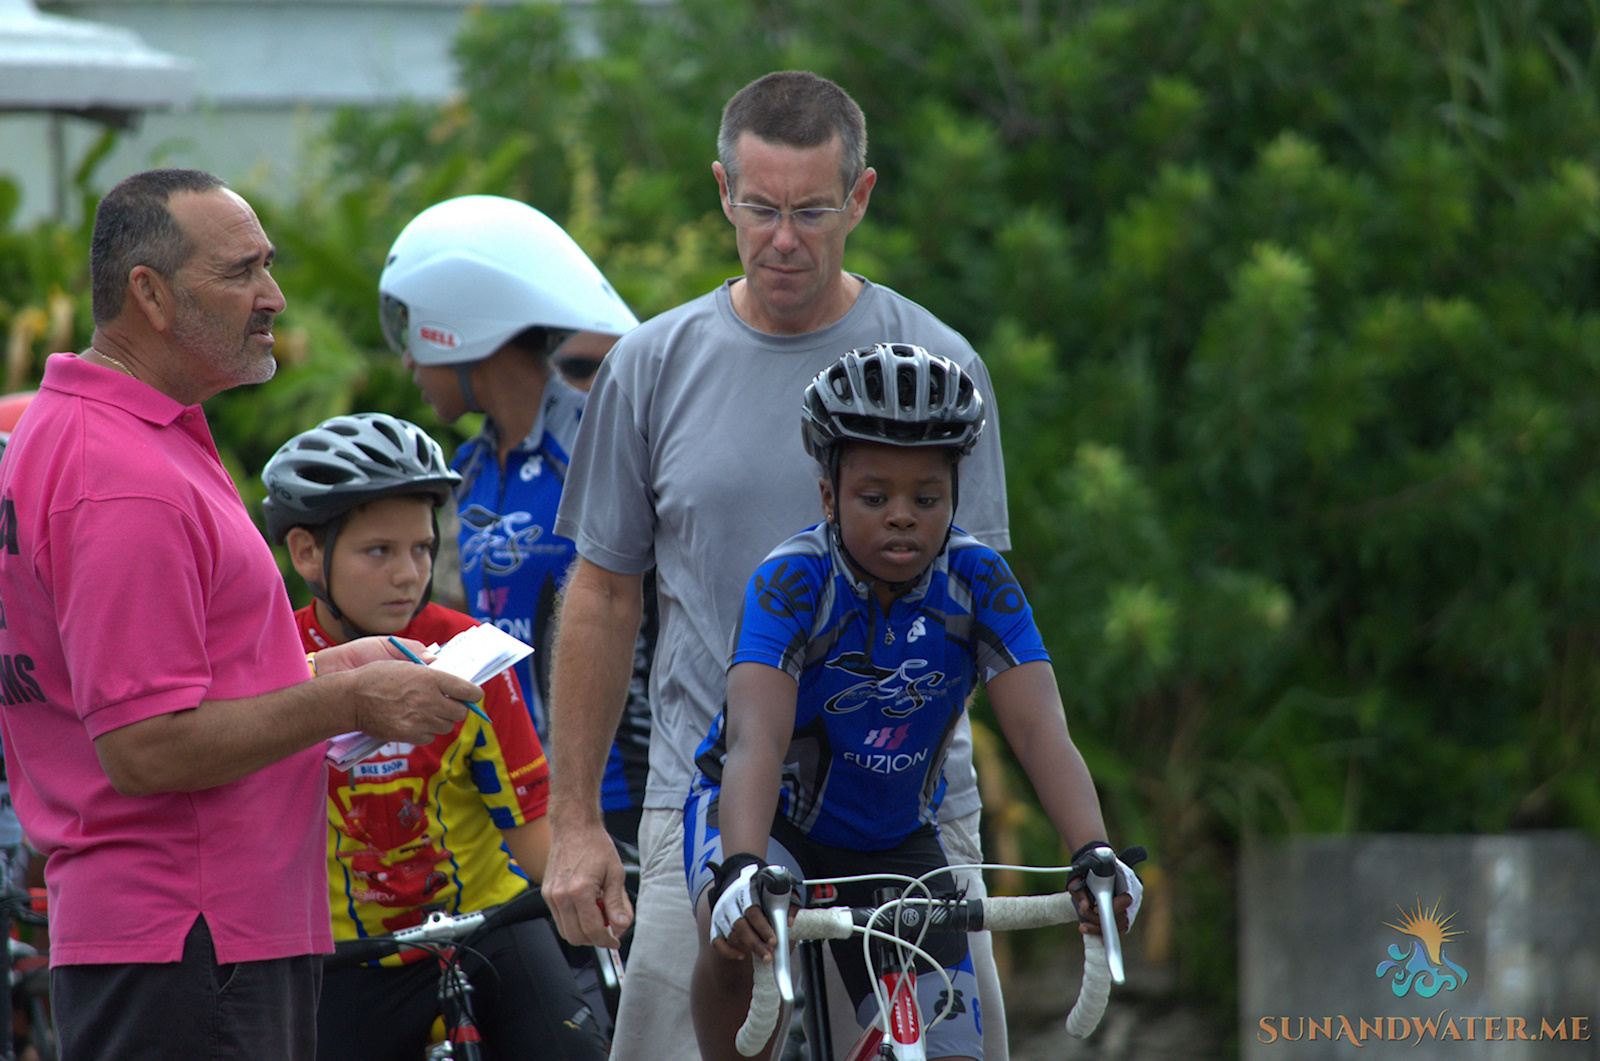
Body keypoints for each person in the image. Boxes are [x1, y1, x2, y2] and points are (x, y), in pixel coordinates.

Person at [543, 71, 1013, 1061]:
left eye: (810, 209)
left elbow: (978, 611)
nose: (783, 238)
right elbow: (601, 593)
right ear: (722, 191)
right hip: (706, 803)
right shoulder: (651, 363)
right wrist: (575, 819)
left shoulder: (932, 362)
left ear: (861, 196)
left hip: (904, 811)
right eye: (760, 208)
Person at [0, 168, 481, 1061]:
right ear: (148, 292)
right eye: (241, 272)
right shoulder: (120, 475)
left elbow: (161, 687)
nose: (275, 296)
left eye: (268, 265)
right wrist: (349, 704)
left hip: (185, 939)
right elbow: (146, 744)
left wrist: (332, 669)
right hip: (191, 938)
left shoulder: (106, 434)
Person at [686, 345, 1142, 1061]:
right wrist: (742, 868)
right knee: (736, 930)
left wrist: (1095, 851)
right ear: (829, 496)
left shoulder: (979, 580)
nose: (902, 517)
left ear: (954, 496)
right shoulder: (791, 581)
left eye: (926, 498)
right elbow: (754, 741)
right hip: (764, 820)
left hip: (893, 838)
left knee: (950, 1050)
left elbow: (1039, 728)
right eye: (875, 497)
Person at [260, 412, 610, 1061]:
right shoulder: (271, 660)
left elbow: (531, 823)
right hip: (345, 958)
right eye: (379, 551)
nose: (408, 573)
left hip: (488, 927)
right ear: (307, 551)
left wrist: (591, 883)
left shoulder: (465, 647)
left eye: (422, 548)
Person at [378, 195, 654, 855]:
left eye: (413, 333)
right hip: (518, 790)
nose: (409, 364)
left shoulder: (597, 435)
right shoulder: (468, 470)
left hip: (621, 791)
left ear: (459, 326)